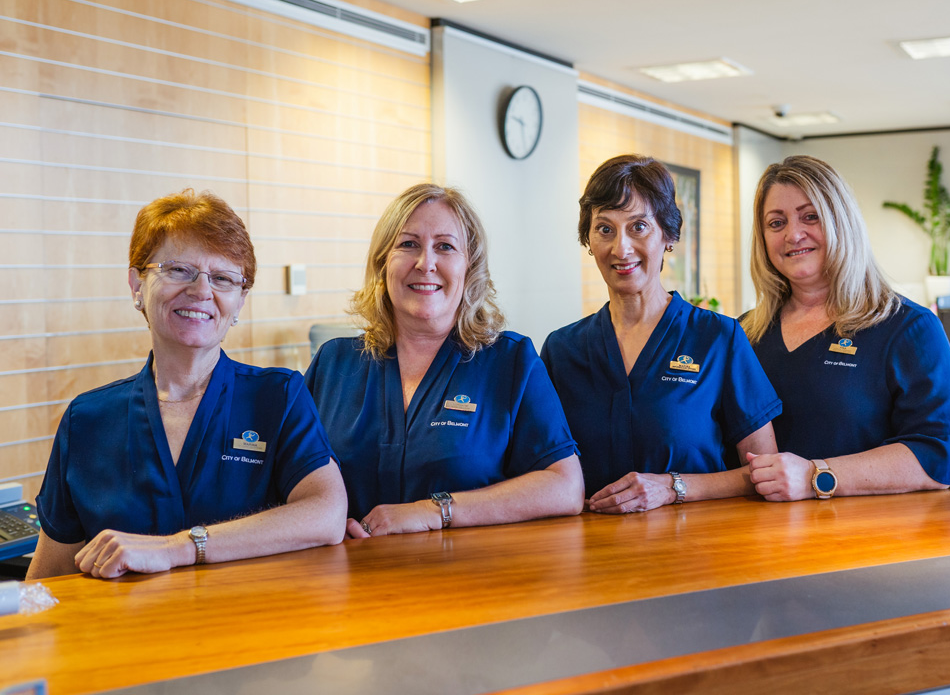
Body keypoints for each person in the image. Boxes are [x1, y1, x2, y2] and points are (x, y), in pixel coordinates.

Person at [27, 190, 348, 580]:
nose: (201, 291)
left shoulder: (277, 397)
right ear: (136, 285)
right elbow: (48, 581)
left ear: (240, 302)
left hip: (251, 632)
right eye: (179, 270)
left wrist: (178, 547)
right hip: (126, 638)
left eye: (223, 278)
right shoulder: (87, 420)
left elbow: (327, 513)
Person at [305, 183, 584, 538]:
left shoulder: (511, 362)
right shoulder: (334, 363)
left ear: (470, 268)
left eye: (445, 247)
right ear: (382, 263)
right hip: (352, 582)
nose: (426, 263)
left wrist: (436, 511)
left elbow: (565, 487)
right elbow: (290, 480)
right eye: (408, 244)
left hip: (469, 583)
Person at [541, 154, 780, 513]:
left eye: (638, 227)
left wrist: (673, 487)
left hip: (694, 551)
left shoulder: (718, 338)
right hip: (591, 555)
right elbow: (540, 470)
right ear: (588, 240)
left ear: (667, 235)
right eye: (605, 229)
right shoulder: (562, 350)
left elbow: (766, 470)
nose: (621, 248)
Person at [741, 155, 950, 500]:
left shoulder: (909, 328)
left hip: (871, 541)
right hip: (757, 537)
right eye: (776, 223)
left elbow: (939, 454)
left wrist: (815, 476)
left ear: (842, 223)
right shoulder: (745, 335)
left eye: (810, 217)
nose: (793, 235)